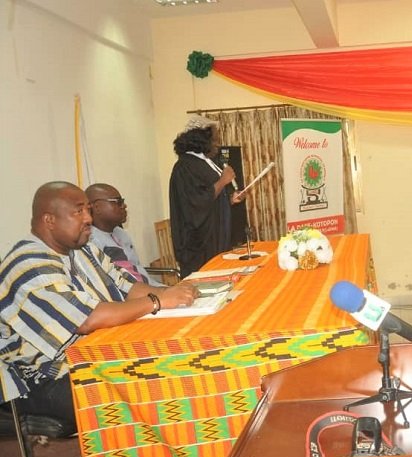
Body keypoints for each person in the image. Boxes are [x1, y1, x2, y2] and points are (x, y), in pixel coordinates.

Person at [0, 181, 197, 434]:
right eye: (78, 211)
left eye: (88, 211)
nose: (88, 219)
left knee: (168, 366)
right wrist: (157, 302)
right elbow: (87, 320)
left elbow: (126, 287)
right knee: (134, 397)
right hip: (39, 377)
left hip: (91, 355)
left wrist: (174, 295)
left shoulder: (84, 249)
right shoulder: (28, 264)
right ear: (49, 220)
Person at [169, 114, 244, 277]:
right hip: (199, 245)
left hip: (214, 239)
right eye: (215, 140)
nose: (217, 145)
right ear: (201, 140)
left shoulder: (203, 163)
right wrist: (223, 181)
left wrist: (229, 200)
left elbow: (209, 198)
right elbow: (195, 203)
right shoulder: (185, 166)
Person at [86, 183, 163, 286]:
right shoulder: (92, 242)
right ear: (97, 207)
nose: (124, 206)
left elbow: (136, 271)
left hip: (150, 289)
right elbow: (122, 288)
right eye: (118, 202)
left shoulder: (120, 233)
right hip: (136, 298)